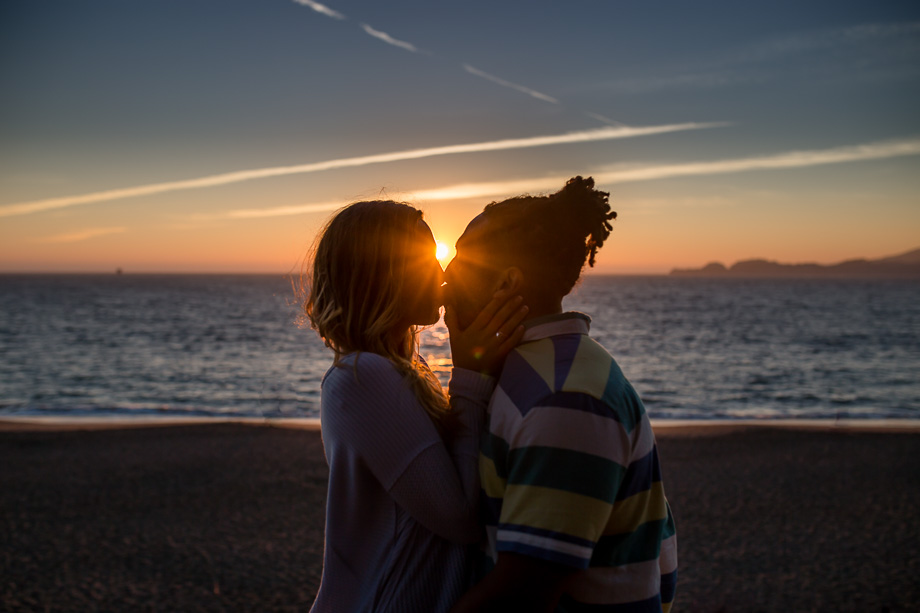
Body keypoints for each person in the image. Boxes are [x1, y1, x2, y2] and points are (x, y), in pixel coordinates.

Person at [444, 177, 678, 612]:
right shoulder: (532, 371)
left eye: (461, 257)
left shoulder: (563, 397)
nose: (444, 275)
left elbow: (523, 593)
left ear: (505, 282)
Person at [303, 200, 529, 612]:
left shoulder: (400, 369)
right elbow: (459, 518)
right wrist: (470, 375)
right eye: (425, 261)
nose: (442, 273)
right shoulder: (362, 377)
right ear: (383, 274)